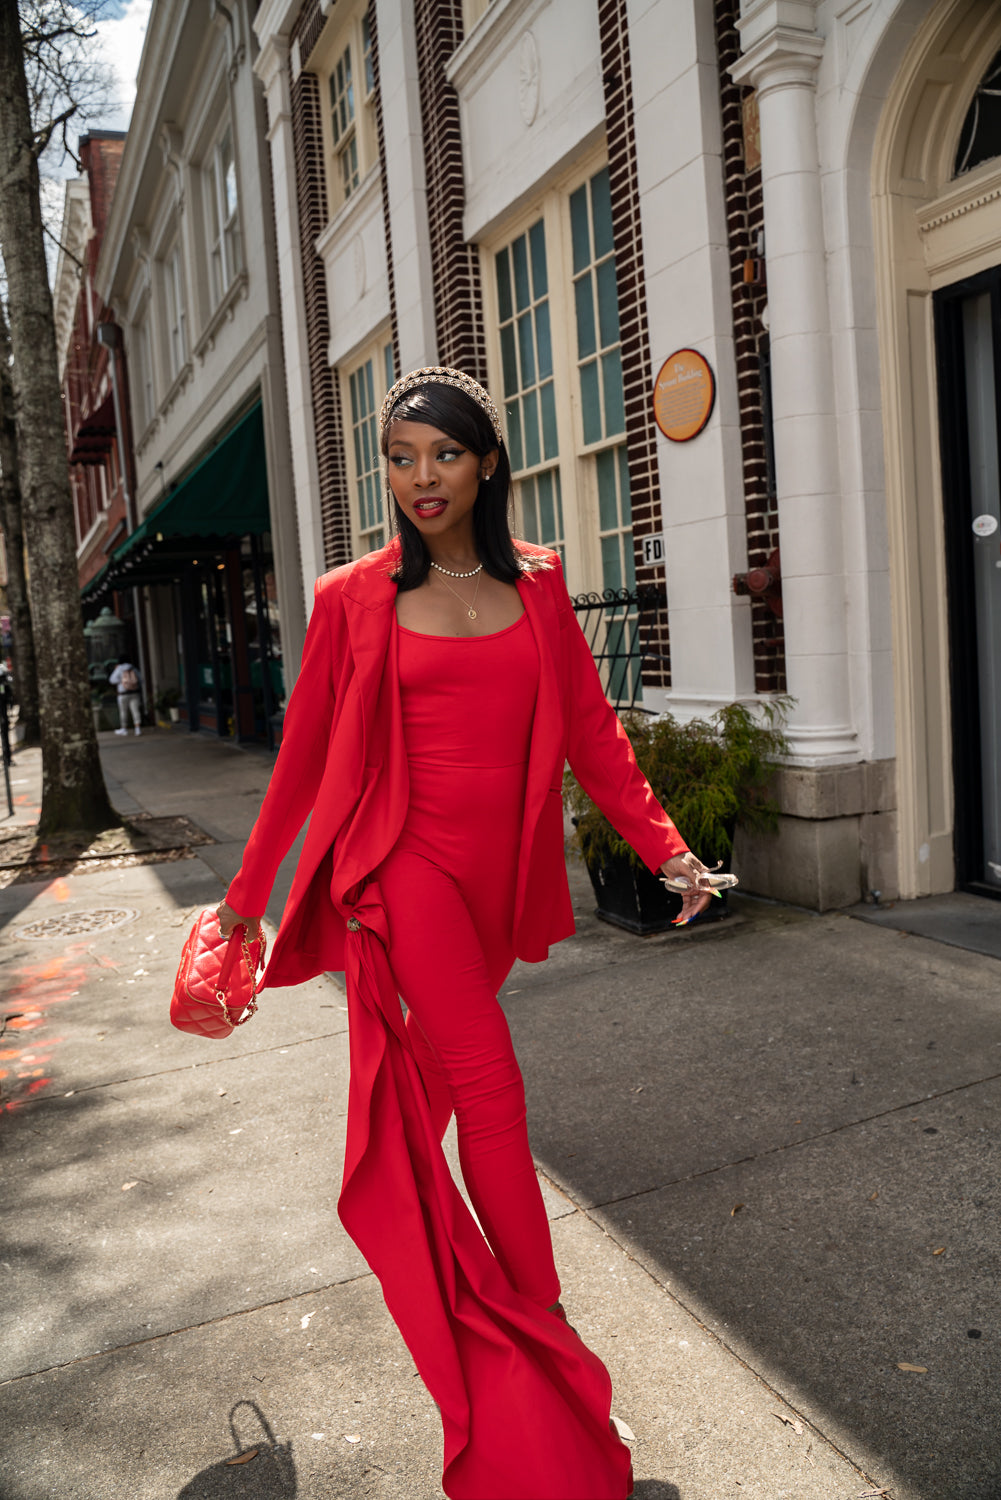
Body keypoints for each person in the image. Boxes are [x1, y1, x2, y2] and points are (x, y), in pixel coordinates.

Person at [217, 366, 717, 1500]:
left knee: (457, 1099)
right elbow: (303, 759)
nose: (419, 477)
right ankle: (547, 1351)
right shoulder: (353, 596)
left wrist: (665, 849)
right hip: (402, 872)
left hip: (498, 884)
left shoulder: (537, 583)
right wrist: (248, 896)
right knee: (492, 1094)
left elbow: (592, 731)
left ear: (487, 462)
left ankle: (533, 1350)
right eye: (398, 457)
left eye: (441, 453)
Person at [109, 655, 142, 735]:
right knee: (135, 710)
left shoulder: (119, 669)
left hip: (123, 693)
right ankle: (137, 728)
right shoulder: (133, 668)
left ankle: (124, 729)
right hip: (134, 692)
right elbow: (141, 679)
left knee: (123, 711)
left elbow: (112, 680)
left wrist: (121, 681)